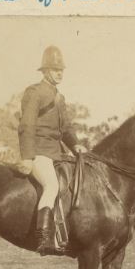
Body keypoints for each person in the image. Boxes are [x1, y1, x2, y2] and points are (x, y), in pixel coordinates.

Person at [18, 45, 86, 254]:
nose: (59, 73)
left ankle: (63, 234)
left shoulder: (60, 97)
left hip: (57, 154)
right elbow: (27, 125)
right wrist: (28, 157)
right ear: (45, 71)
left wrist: (75, 145)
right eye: (55, 69)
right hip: (39, 153)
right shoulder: (35, 92)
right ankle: (44, 239)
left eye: (61, 70)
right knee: (51, 187)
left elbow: (65, 127)